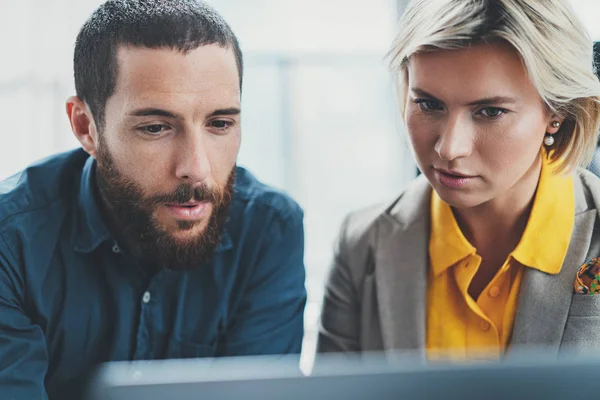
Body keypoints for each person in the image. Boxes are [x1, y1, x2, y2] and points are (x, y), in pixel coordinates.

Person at [0, 1, 306, 398]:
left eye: (220, 123)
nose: (196, 168)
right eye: (156, 127)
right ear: (86, 127)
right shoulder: (12, 243)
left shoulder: (268, 231)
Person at [318, 0, 600, 362]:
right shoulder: (362, 245)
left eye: (490, 112)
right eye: (429, 105)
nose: (449, 148)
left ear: (557, 113)